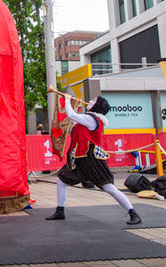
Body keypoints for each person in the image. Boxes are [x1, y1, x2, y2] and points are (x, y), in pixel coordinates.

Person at [45, 93, 141, 225]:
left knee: (108, 187)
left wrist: (67, 100)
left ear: (97, 106)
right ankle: (60, 210)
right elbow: (74, 119)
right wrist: (74, 105)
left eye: (94, 100)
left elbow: (72, 115)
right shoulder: (88, 119)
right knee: (61, 179)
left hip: (92, 159)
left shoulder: (93, 119)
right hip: (80, 159)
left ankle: (133, 213)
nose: (90, 101)